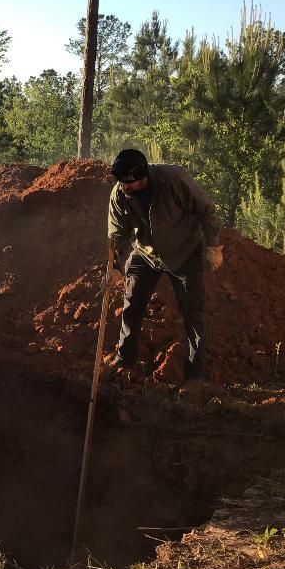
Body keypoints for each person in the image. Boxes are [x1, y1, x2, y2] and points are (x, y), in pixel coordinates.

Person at [106, 148, 223, 393]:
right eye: (121, 182)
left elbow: (207, 211)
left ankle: (194, 377)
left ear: (142, 176)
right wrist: (114, 266)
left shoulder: (174, 181)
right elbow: (116, 234)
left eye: (128, 182)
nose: (124, 187)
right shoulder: (120, 193)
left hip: (184, 253)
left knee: (193, 314)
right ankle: (124, 360)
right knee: (132, 306)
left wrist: (214, 247)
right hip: (146, 253)